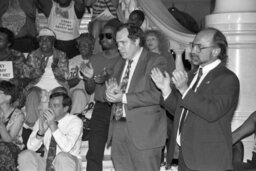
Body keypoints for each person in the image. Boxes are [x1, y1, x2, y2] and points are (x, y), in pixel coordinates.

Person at [151, 27, 240, 171]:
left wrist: (184, 89)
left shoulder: (227, 78)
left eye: (200, 47)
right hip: (186, 157)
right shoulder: (192, 75)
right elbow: (181, 111)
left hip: (208, 160)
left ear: (215, 51)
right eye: (193, 45)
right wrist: (165, 89)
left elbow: (212, 112)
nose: (193, 51)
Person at [105, 23, 167, 171]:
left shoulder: (155, 60)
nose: (119, 47)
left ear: (137, 41)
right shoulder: (120, 63)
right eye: (117, 43)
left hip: (145, 133)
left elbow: (159, 95)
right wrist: (110, 95)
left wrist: (123, 98)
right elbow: (115, 94)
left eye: (123, 43)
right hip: (118, 128)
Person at [84, 21, 122, 171]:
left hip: (120, 108)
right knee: (94, 150)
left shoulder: (125, 58)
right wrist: (90, 79)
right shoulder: (95, 59)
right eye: (101, 36)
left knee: (121, 151)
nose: (103, 39)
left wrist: (107, 79)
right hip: (101, 107)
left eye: (108, 36)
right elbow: (89, 90)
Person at [18, 92, 83, 171]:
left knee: (62, 157)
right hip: (47, 163)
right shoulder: (42, 120)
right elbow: (30, 148)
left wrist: (52, 125)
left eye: (55, 106)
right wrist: (40, 133)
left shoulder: (75, 122)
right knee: (25, 155)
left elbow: (66, 148)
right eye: (50, 105)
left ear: (65, 108)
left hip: (69, 163)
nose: (51, 109)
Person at [23, 27, 69, 128]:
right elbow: (26, 75)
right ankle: (31, 125)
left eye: (47, 40)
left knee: (60, 95)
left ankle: (57, 125)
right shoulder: (33, 54)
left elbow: (64, 76)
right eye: (41, 40)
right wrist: (40, 69)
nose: (44, 42)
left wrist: (54, 67)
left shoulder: (61, 54)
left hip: (57, 84)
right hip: (38, 84)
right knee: (33, 94)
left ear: (53, 41)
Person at [145, 29, 176, 168]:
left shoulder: (167, 56)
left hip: (164, 95)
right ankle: (155, 161)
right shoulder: (144, 56)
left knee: (168, 129)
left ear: (159, 41)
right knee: (153, 131)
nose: (150, 42)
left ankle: (169, 161)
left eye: (153, 39)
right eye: (148, 39)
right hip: (149, 98)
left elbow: (171, 76)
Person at [0, 81, 25, 171]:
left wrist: (1, 124)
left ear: (8, 97)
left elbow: (9, 139)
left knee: (2, 147)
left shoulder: (18, 115)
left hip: (12, 147)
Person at [0, 27, 28, 108]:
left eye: (0, 39)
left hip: (10, 91)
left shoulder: (17, 56)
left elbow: (26, 79)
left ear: (8, 43)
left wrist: (18, 81)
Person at [68, 33, 95, 115]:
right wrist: (79, 76)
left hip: (92, 95)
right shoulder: (73, 61)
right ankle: (74, 121)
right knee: (79, 94)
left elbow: (91, 90)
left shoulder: (98, 60)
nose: (82, 47)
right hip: (75, 93)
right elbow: (69, 84)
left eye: (85, 45)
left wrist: (89, 78)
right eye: (80, 45)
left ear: (92, 47)